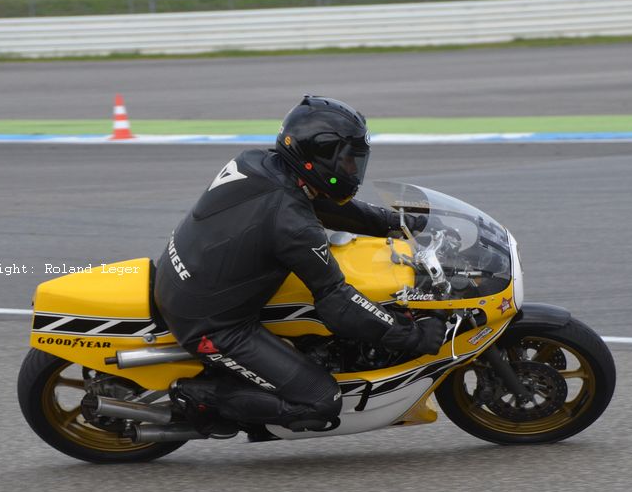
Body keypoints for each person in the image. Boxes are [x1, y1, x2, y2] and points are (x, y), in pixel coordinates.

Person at [154, 95, 446, 437]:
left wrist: (399, 222)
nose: (353, 169)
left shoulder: (258, 163)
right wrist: (411, 335)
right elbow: (337, 302)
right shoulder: (293, 226)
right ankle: (199, 398)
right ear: (316, 158)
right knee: (320, 401)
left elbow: (322, 206)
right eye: (347, 160)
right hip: (210, 323)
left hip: (184, 274)